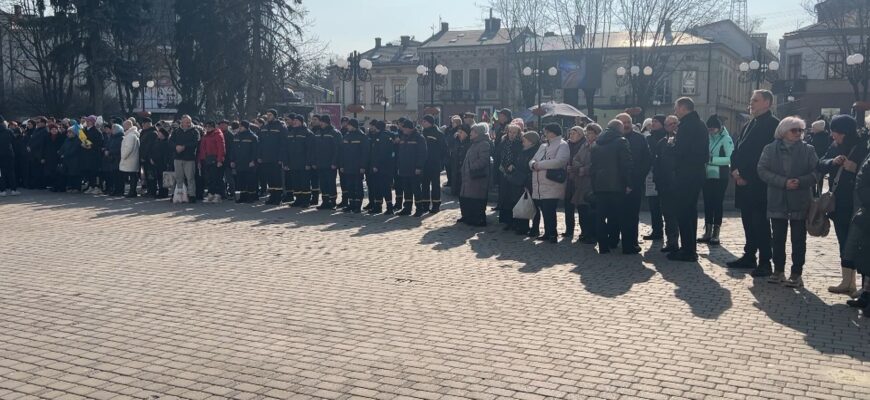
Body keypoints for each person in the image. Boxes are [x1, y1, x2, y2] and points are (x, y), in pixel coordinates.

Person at [757, 116, 817, 287]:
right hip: (777, 198)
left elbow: (816, 172)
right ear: (783, 132)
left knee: (798, 238)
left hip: (800, 199)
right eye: (794, 130)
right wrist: (782, 182)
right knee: (777, 238)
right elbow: (762, 170)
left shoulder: (808, 150)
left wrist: (801, 181)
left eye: (800, 130)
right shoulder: (769, 149)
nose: (798, 133)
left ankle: (796, 273)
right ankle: (778, 270)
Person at [728, 90, 779, 276]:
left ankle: (766, 261)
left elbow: (765, 156)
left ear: (767, 103)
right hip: (743, 181)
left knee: (761, 224)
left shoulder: (774, 125)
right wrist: (734, 170)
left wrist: (746, 175)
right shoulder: (749, 124)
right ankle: (749, 255)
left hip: (759, 183)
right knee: (748, 221)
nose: (751, 103)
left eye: (755, 100)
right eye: (751, 100)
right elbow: (738, 149)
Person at [819, 115, 869, 297]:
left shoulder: (863, 147)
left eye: (836, 133)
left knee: (860, 244)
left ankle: (864, 287)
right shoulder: (834, 147)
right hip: (839, 203)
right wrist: (832, 162)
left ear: (846, 132)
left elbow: (866, 175)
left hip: (858, 204)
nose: (833, 136)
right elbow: (820, 163)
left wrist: (854, 168)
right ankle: (847, 281)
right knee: (844, 242)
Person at [667, 97, 710, 262]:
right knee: (690, 211)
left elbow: (681, 150)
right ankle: (689, 248)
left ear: (684, 108)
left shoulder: (686, 126)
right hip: (697, 172)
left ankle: (687, 250)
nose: (675, 111)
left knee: (683, 212)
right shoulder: (700, 124)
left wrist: (671, 145)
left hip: (686, 173)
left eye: (676, 108)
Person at [591, 120, 632, 254]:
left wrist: (594, 185)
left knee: (600, 217)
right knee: (622, 217)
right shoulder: (621, 141)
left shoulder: (596, 143)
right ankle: (625, 246)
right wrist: (629, 183)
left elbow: (593, 167)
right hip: (617, 185)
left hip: (600, 185)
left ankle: (603, 246)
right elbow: (626, 165)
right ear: (620, 129)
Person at [615, 113, 650, 254]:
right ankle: (614, 240)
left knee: (633, 215)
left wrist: (638, 179)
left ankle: (631, 243)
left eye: (628, 121)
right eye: (623, 122)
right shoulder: (614, 139)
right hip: (617, 184)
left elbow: (647, 160)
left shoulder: (640, 138)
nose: (627, 124)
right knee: (617, 214)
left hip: (635, 183)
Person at [529, 123, 570, 243]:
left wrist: (539, 165)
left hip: (552, 183)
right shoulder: (543, 146)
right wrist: (532, 164)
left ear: (552, 132)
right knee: (543, 209)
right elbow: (533, 159)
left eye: (545, 131)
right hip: (539, 184)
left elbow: (559, 162)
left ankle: (552, 234)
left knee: (550, 210)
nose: (544, 134)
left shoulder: (563, 145)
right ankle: (547, 233)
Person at [698, 115, 734, 246]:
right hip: (707, 174)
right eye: (709, 128)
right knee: (707, 203)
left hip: (721, 175)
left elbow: (730, 158)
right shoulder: (707, 138)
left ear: (719, 128)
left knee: (717, 203)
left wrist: (712, 160)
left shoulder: (726, 139)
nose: (711, 131)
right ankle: (707, 231)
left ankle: (716, 233)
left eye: (713, 128)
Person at [653, 117, 680, 253]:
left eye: (674, 123)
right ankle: (671, 241)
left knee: (677, 214)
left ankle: (677, 241)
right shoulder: (661, 143)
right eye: (668, 124)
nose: (671, 126)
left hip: (678, 183)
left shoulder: (681, 141)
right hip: (664, 184)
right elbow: (656, 164)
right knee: (667, 213)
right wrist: (657, 180)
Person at [570, 123, 601, 244]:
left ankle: (592, 234)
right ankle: (584, 232)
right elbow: (575, 159)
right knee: (582, 210)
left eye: (591, 133)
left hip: (591, 182)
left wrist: (586, 169)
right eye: (587, 133)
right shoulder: (584, 145)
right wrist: (579, 168)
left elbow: (597, 163)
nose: (588, 135)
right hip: (580, 182)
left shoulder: (598, 146)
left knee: (591, 211)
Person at [459, 122, 492, 226]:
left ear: (478, 133)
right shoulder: (474, 143)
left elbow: (483, 160)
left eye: (473, 131)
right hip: (469, 177)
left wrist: (471, 167)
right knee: (468, 199)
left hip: (477, 177)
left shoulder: (484, 144)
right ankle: (468, 217)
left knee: (477, 200)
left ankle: (478, 219)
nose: (470, 133)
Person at [395, 119, 428, 216]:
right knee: (407, 190)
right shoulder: (403, 137)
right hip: (404, 168)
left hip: (414, 169)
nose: (403, 130)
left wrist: (419, 167)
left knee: (416, 190)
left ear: (409, 128)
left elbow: (423, 154)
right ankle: (407, 208)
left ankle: (419, 209)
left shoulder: (419, 138)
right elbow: (400, 153)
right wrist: (399, 166)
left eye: (404, 128)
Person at [643, 115, 668, 240]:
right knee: (653, 204)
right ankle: (657, 230)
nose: (653, 123)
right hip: (651, 173)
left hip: (664, 174)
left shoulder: (666, 137)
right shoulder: (649, 138)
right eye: (652, 121)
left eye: (656, 121)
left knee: (666, 205)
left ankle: (669, 232)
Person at [338, 118, 369, 213]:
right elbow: (342, 152)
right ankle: (351, 204)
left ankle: (357, 206)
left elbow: (365, 153)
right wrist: (342, 165)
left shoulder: (362, 137)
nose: (347, 127)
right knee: (349, 186)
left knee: (358, 187)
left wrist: (363, 166)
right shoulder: (346, 136)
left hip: (357, 167)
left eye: (349, 125)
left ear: (354, 126)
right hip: (347, 166)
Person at [256, 109, 287, 205]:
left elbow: (284, 144)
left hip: (276, 158)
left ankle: (278, 197)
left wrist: (281, 158)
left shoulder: (280, 127)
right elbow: (260, 143)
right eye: (267, 115)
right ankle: (272, 196)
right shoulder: (264, 127)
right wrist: (260, 156)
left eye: (270, 115)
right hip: (266, 157)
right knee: (269, 178)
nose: (268, 116)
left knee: (276, 178)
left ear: (275, 116)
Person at [312, 114, 342, 210]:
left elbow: (337, 150)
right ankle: (325, 201)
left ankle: (332, 202)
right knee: (323, 183)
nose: (320, 123)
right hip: (320, 163)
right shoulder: (317, 132)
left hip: (330, 164)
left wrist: (334, 162)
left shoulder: (334, 133)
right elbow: (315, 149)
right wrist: (315, 162)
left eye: (321, 121)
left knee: (331, 183)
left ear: (325, 122)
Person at [497, 123, 524, 228]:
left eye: (514, 133)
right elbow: (499, 154)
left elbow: (520, 157)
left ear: (518, 134)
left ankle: (514, 221)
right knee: (505, 196)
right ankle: (506, 220)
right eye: (510, 132)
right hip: (503, 171)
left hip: (514, 173)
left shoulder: (520, 143)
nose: (512, 134)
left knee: (513, 196)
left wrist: (514, 165)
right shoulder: (504, 142)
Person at [285, 114, 315, 208]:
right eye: (294, 121)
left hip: (303, 163)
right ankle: (298, 199)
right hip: (293, 162)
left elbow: (310, 150)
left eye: (297, 121)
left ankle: (306, 200)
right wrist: (287, 162)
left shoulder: (307, 133)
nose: (294, 122)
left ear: (301, 122)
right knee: (296, 182)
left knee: (304, 182)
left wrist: (308, 163)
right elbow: (287, 149)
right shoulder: (291, 133)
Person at [170, 115, 202, 204]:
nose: (187, 123)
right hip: (178, 157)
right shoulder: (176, 131)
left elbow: (196, 142)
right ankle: (178, 195)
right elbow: (171, 142)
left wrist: (184, 147)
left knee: (190, 178)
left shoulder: (195, 131)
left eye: (189, 121)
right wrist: (176, 147)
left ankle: (192, 195)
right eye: (185, 122)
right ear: (182, 122)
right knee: (178, 178)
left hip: (189, 158)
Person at [420, 115, 448, 214]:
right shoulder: (422, 133)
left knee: (435, 185)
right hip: (424, 164)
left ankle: (436, 205)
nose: (422, 123)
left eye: (424, 121)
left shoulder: (438, 134)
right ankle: (425, 205)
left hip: (435, 163)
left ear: (429, 122)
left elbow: (444, 150)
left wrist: (441, 163)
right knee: (424, 185)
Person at [367, 119, 395, 214]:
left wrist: (376, 165)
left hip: (382, 168)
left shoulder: (383, 137)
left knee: (385, 188)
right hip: (381, 167)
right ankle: (378, 206)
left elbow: (381, 154)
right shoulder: (380, 136)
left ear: (377, 127)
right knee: (377, 188)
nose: (372, 127)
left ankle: (389, 208)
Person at [563, 126, 586, 238]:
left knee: (581, 207)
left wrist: (575, 168)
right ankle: (569, 230)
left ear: (580, 135)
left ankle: (584, 231)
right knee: (568, 206)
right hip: (568, 180)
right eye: (570, 133)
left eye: (574, 133)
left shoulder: (584, 145)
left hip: (580, 179)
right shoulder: (566, 145)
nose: (571, 135)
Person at [198, 121, 226, 203]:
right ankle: (211, 194)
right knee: (209, 178)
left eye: (210, 126)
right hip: (207, 159)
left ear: (214, 127)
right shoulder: (205, 135)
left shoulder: (218, 134)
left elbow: (221, 148)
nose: (208, 128)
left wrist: (220, 160)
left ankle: (218, 195)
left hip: (215, 159)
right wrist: (200, 159)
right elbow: (202, 148)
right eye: (206, 126)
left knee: (216, 178)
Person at [231, 121, 259, 203]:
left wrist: (253, 160)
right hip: (239, 162)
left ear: (246, 127)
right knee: (241, 180)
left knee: (250, 180)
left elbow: (255, 150)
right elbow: (233, 150)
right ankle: (243, 197)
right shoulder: (236, 136)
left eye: (241, 126)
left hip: (249, 162)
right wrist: (232, 160)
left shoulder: (252, 137)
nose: (239, 128)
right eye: (239, 126)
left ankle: (251, 197)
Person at [119, 120, 141, 198]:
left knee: (132, 176)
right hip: (131, 159)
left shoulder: (131, 136)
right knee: (132, 176)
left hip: (130, 159)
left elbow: (129, 148)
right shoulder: (131, 134)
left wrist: (123, 156)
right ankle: (132, 191)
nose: (123, 127)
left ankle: (132, 192)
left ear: (128, 125)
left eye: (124, 125)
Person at [0, 117, 19, 196]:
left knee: (1, 173)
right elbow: (14, 141)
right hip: (9, 154)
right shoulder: (9, 131)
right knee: (11, 172)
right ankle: (13, 190)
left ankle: (2, 191)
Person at [139, 118, 158, 197]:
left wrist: (144, 156)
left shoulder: (153, 133)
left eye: (144, 123)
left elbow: (149, 146)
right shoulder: (144, 132)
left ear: (149, 123)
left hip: (149, 158)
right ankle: (149, 190)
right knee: (147, 174)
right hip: (144, 157)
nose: (142, 125)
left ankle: (152, 190)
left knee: (151, 175)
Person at [58, 127, 82, 192]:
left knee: (75, 174)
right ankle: (71, 187)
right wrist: (60, 153)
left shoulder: (77, 140)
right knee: (69, 174)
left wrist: (65, 155)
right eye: (68, 132)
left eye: (69, 132)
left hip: (75, 160)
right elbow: (62, 147)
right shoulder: (67, 139)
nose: (68, 134)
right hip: (67, 160)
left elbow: (74, 150)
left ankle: (76, 188)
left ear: (74, 133)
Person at [104, 123, 125, 196]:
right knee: (114, 176)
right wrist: (106, 150)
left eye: (113, 128)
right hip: (112, 159)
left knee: (119, 176)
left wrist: (110, 151)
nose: (112, 130)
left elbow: (119, 149)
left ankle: (120, 191)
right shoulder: (112, 137)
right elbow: (108, 145)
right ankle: (115, 190)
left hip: (118, 159)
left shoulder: (121, 138)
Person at [220, 120, 236, 199]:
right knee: (221, 178)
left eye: (224, 124)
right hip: (220, 159)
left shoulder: (230, 135)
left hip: (228, 159)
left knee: (229, 177)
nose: (222, 126)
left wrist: (231, 159)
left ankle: (232, 192)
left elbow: (232, 149)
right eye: (221, 124)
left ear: (227, 125)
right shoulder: (218, 134)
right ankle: (223, 192)